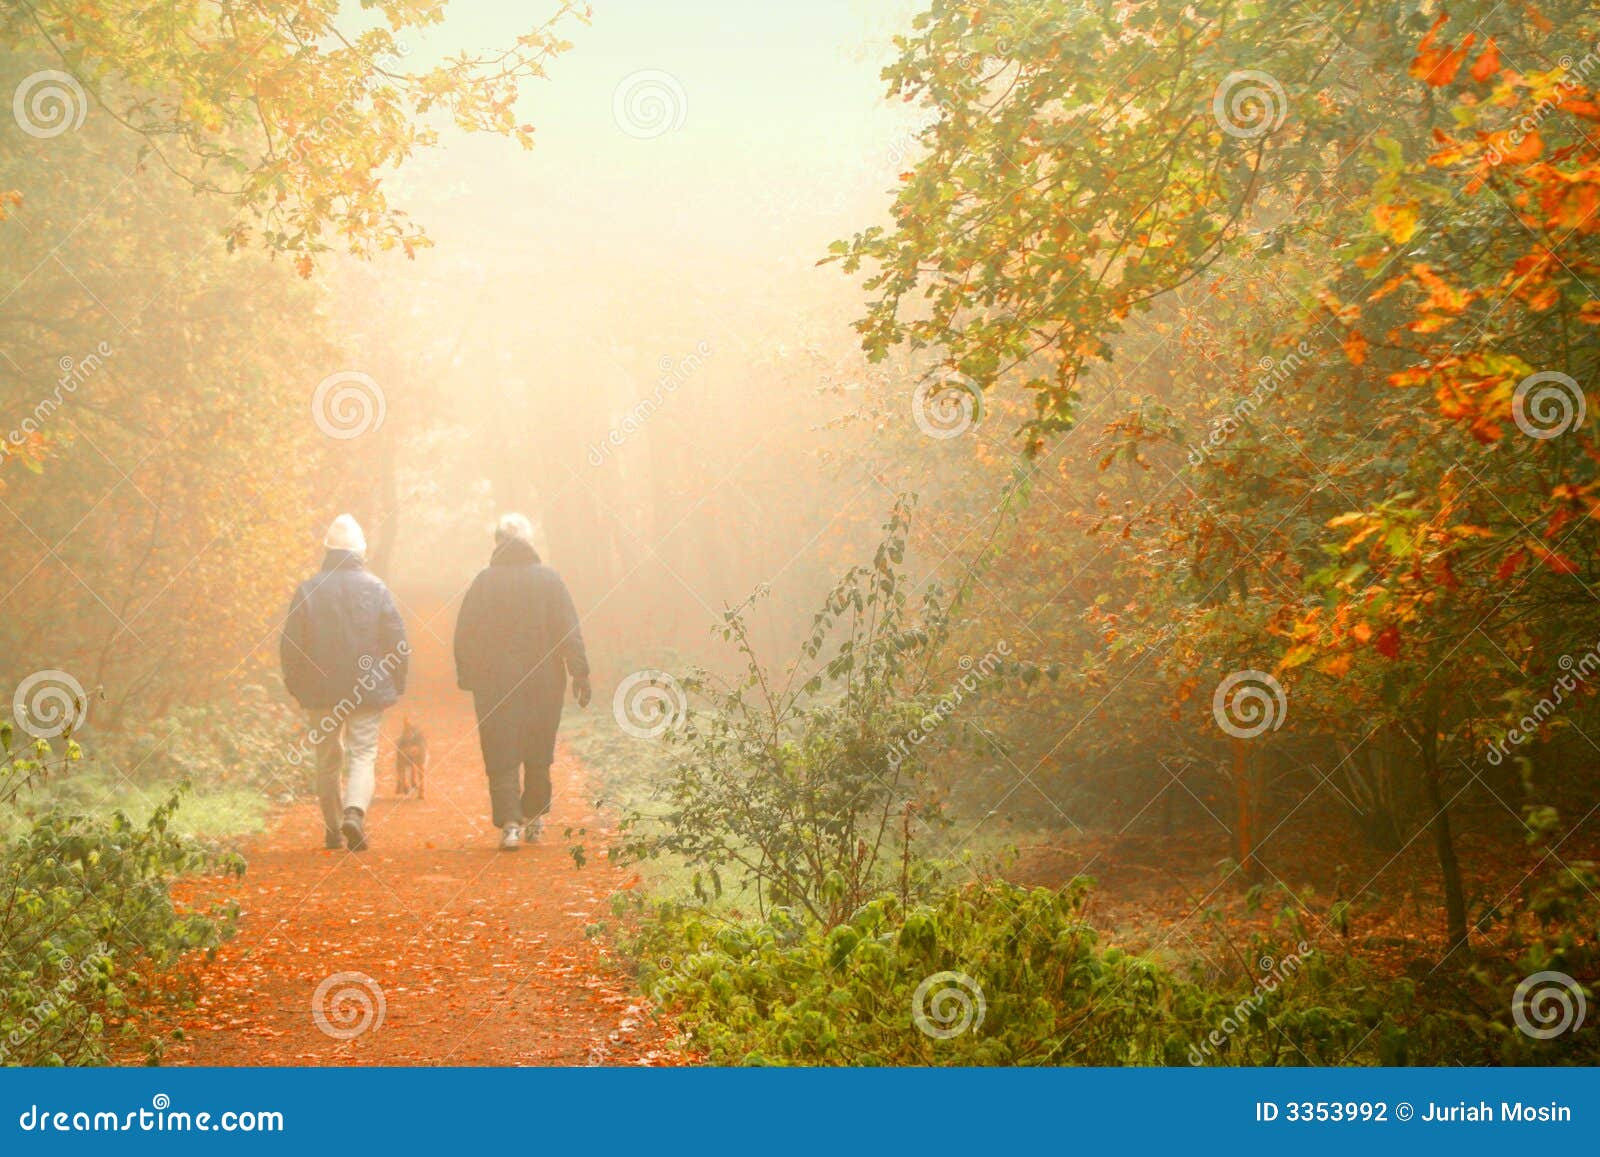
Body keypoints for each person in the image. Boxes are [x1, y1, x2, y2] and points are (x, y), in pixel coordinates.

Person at [453, 513, 591, 850]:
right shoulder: (549, 580)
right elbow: (567, 629)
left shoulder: (483, 582)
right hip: (544, 681)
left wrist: (468, 675)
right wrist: (580, 672)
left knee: (500, 749)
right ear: (529, 542)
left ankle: (510, 824)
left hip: (494, 682)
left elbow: (464, 634)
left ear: (498, 542)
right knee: (538, 748)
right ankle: (536, 817)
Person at [280, 514, 408, 852]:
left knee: (327, 758)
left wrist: (296, 685)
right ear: (361, 550)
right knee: (363, 752)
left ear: (327, 550)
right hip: (367, 688)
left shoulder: (308, 590)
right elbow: (397, 639)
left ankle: (333, 830)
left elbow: (291, 644)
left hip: (319, 691)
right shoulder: (376, 588)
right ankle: (355, 812)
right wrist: (396, 680)